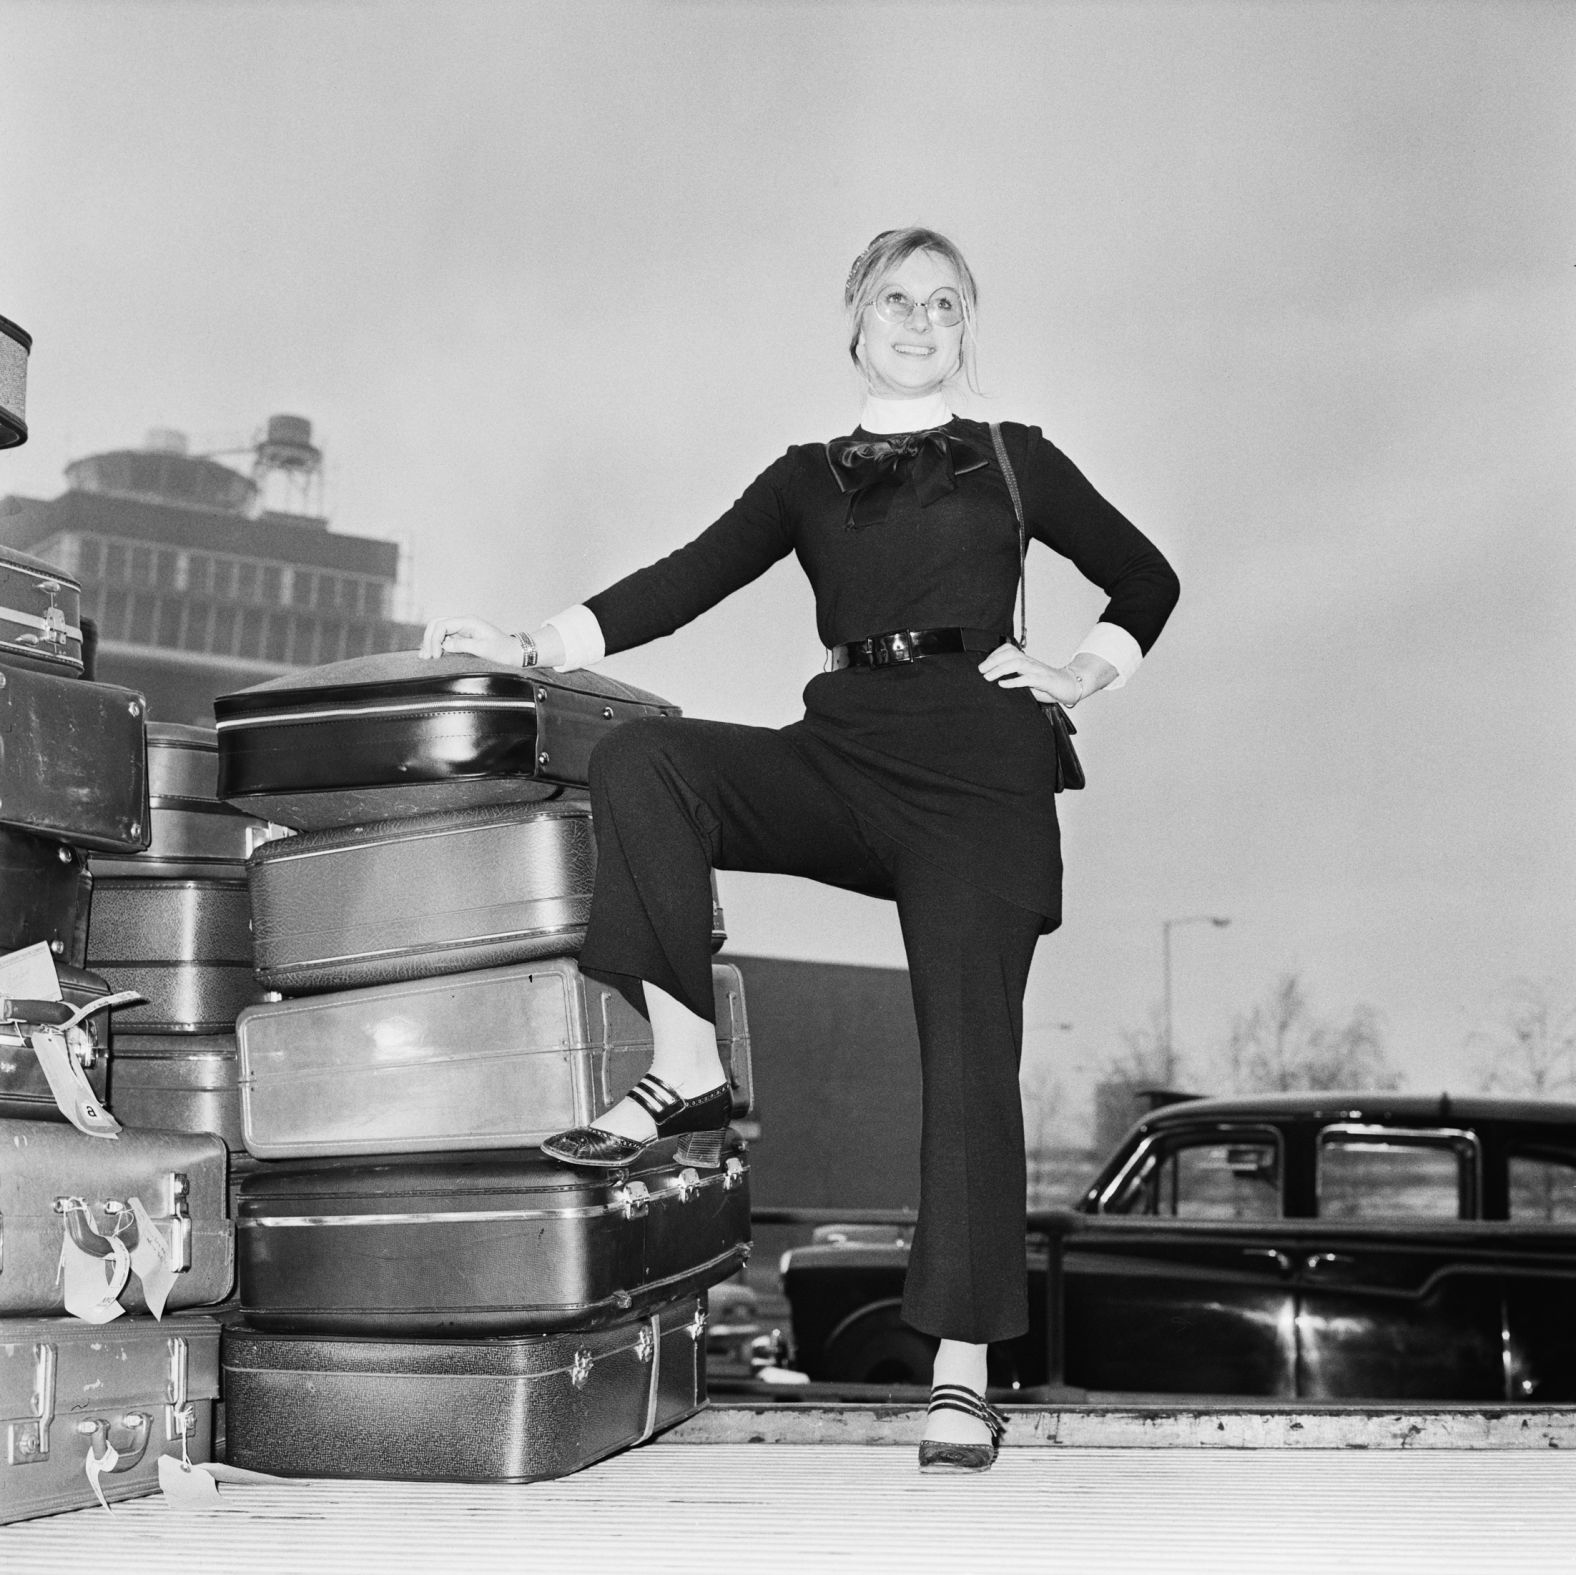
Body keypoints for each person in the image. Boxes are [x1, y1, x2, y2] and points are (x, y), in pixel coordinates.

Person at [421, 226, 1179, 1472]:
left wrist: (1077, 676)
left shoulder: (1014, 459)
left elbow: (1143, 578)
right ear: (854, 316)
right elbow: (690, 576)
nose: (921, 321)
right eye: (898, 299)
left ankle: (960, 1371)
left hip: (978, 779)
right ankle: (686, 1061)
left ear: (967, 325)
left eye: (946, 303)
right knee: (644, 760)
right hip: (844, 749)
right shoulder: (805, 476)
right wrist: (537, 641)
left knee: (970, 1059)